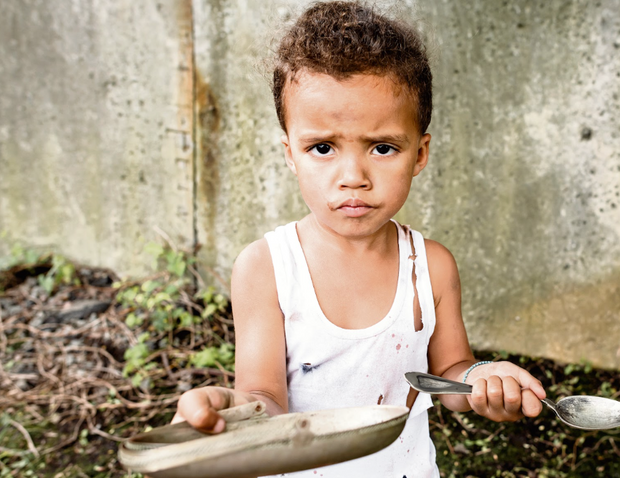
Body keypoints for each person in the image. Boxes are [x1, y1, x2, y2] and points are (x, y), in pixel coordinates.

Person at [172, 2, 546, 476]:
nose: (353, 177)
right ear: (290, 153)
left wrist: (482, 380)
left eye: (383, 147)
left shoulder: (431, 267)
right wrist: (233, 409)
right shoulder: (266, 268)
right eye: (322, 148)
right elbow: (264, 397)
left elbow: (451, 371)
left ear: (419, 153)